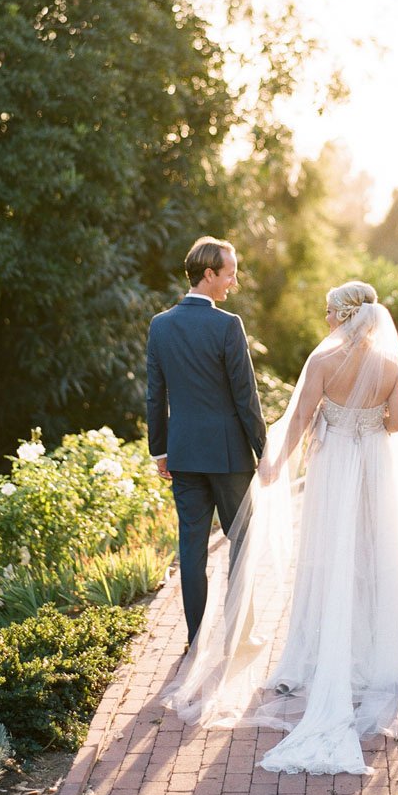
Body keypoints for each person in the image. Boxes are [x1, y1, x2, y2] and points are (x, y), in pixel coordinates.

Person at [163, 281, 398, 776]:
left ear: (343, 315)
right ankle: (372, 658)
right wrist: (362, 420)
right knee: (371, 557)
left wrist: (275, 465)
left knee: (326, 556)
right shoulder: (392, 366)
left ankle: (312, 656)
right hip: (372, 470)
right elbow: (395, 425)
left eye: (329, 311)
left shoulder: (324, 362)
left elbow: (300, 419)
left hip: (332, 472)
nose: (324, 318)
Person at [146, 236, 267, 649]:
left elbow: (154, 394)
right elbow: (245, 396)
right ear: (209, 274)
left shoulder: (160, 325)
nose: (233, 281)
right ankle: (240, 634)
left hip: (183, 455)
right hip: (230, 456)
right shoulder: (227, 325)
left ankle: (196, 639)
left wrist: (159, 451)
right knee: (244, 542)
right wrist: (264, 451)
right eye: (229, 273)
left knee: (192, 548)